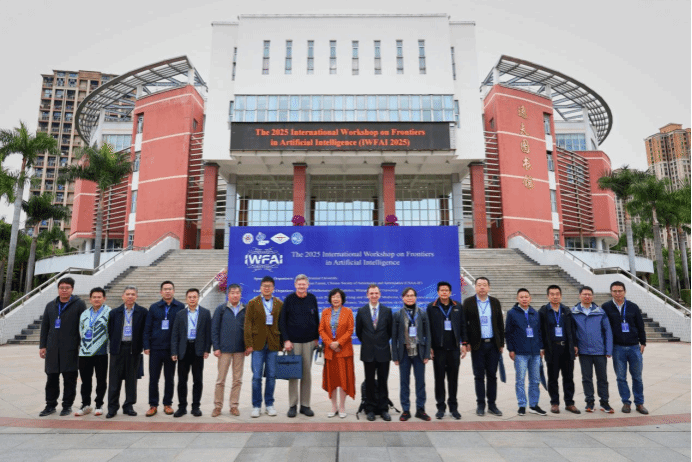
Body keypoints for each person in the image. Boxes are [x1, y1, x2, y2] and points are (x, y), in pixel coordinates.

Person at [39, 277, 87, 416]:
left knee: (69, 379)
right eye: (61, 288)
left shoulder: (79, 304)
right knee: (51, 379)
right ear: (58, 289)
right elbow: (45, 327)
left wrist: (82, 346)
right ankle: (50, 405)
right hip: (52, 349)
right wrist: (43, 346)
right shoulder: (50, 305)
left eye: (67, 288)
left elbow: (84, 326)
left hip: (70, 349)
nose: (64, 290)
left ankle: (67, 406)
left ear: (72, 289)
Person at [601, 281, 648, 414]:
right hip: (617, 348)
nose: (618, 293)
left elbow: (640, 325)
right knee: (621, 378)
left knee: (637, 377)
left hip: (634, 347)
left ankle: (639, 403)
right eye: (615, 291)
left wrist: (643, 342)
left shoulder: (633, 307)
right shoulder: (606, 307)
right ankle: (626, 402)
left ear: (625, 292)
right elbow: (603, 328)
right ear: (611, 292)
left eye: (620, 291)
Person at [462, 277, 505, 417]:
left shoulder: (495, 302)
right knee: (479, 376)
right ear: (475, 287)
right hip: (477, 345)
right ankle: (480, 404)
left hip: (493, 344)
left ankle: (492, 405)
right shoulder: (468, 302)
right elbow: (464, 324)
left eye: (484, 285)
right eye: (479, 285)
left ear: (489, 287)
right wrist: (465, 342)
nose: (482, 287)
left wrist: (501, 343)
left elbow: (500, 323)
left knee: (492, 376)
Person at [279, 274, 320, 418]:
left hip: (309, 342)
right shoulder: (289, 299)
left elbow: (316, 319)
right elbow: (282, 321)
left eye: (304, 284)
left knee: (306, 374)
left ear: (308, 285)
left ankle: (305, 405)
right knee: (293, 374)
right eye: (299, 284)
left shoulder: (312, 298)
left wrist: (316, 338)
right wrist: (286, 340)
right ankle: (292, 405)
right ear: (295, 285)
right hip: (293, 343)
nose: (301, 286)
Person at [143, 280, 185, 417]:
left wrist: (177, 349)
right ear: (161, 292)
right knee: (153, 379)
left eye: (170, 289)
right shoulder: (154, 307)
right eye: (165, 289)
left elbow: (181, 330)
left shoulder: (180, 307)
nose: (167, 291)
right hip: (155, 348)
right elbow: (147, 328)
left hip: (171, 350)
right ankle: (153, 405)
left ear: (174, 291)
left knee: (169, 378)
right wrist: (146, 345)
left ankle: (168, 404)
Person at [427, 281, 467, 420]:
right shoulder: (431, 307)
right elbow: (428, 329)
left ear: (450, 292)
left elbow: (463, 325)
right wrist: (429, 346)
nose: (444, 292)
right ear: (438, 292)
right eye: (442, 290)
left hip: (454, 349)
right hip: (438, 350)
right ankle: (441, 407)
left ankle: (453, 408)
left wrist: (464, 343)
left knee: (453, 379)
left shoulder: (457, 306)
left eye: (446, 290)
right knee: (439, 379)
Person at [106, 286, 147, 418]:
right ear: (123, 296)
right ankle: (112, 407)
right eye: (128, 294)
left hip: (133, 350)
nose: (130, 296)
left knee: (131, 380)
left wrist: (143, 346)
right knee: (114, 380)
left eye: (133, 294)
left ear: (136, 296)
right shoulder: (114, 312)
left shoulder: (142, 312)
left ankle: (128, 406)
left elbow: (145, 331)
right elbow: (110, 330)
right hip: (117, 349)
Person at [571, 286, 614, 413]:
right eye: (584, 294)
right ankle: (589, 402)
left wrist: (608, 349)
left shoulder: (600, 312)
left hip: (599, 351)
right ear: (580, 296)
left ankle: (605, 402)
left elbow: (608, 331)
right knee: (586, 378)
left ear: (593, 296)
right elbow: (571, 331)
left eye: (589, 294)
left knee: (602, 378)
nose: (587, 296)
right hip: (584, 351)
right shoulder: (574, 312)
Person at [244, 276, 282, 418]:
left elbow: (282, 324)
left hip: (273, 344)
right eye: (264, 286)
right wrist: (249, 344)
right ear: (260, 288)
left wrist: (282, 343)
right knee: (257, 377)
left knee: (271, 376)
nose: (267, 288)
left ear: (273, 288)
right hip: (257, 345)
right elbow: (248, 324)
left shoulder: (279, 303)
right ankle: (256, 406)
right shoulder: (253, 303)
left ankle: (269, 404)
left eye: (269, 286)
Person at [392, 287, 432, 421]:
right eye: (407, 296)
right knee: (404, 382)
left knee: (420, 382)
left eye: (412, 295)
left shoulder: (422, 313)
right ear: (403, 298)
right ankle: (406, 410)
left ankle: (420, 409)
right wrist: (395, 356)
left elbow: (428, 335)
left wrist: (427, 354)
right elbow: (394, 337)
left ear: (416, 297)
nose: (410, 298)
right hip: (403, 353)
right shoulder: (397, 314)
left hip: (419, 353)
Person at [539, 285, 580, 414]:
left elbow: (572, 329)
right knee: (553, 378)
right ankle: (555, 403)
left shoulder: (566, 311)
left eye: (557, 294)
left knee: (568, 377)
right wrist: (542, 347)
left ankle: (569, 403)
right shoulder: (543, 311)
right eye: (552, 294)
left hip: (566, 348)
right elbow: (540, 331)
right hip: (552, 348)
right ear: (548, 296)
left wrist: (574, 344)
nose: (555, 296)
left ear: (561, 296)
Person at [171, 288, 212, 417]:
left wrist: (207, 349)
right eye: (190, 297)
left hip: (198, 350)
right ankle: (182, 407)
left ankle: (196, 407)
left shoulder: (205, 313)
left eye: (194, 297)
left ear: (198, 298)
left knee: (197, 380)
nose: (192, 299)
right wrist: (174, 351)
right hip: (183, 349)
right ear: (186, 299)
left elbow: (208, 333)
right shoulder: (180, 314)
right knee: (182, 380)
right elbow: (175, 334)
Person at [355, 284, 393, 421]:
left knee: (383, 381)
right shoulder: (362, 311)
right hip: (368, 352)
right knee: (369, 381)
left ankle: (383, 409)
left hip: (383, 352)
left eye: (376, 293)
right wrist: (369, 342)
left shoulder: (387, 311)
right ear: (367, 295)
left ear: (380, 294)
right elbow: (359, 332)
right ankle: (370, 409)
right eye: (371, 293)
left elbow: (390, 331)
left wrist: (380, 342)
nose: (374, 295)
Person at [505, 288, 546, 416]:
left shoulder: (535, 313)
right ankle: (522, 405)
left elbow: (540, 332)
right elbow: (508, 333)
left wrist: (541, 347)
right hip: (520, 353)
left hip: (535, 352)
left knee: (535, 380)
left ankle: (534, 405)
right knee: (520, 380)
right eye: (521, 297)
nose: (524, 299)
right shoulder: (512, 313)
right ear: (517, 299)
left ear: (530, 298)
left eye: (526, 297)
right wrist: (511, 349)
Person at [211, 283, 248, 417]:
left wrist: (248, 346)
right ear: (228, 294)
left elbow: (249, 330)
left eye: (237, 293)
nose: (235, 295)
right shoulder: (221, 309)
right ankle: (217, 406)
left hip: (239, 350)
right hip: (224, 350)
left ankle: (234, 406)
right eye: (232, 293)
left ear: (240, 294)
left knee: (237, 380)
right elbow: (214, 329)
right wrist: (216, 347)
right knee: (220, 380)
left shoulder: (245, 309)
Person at [318, 288, 355, 418]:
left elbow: (350, 330)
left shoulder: (348, 312)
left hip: (343, 350)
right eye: (333, 297)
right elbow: (321, 330)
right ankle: (334, 407)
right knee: (332, 380)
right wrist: (330, 343)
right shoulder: (325, 312)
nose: (336, 299)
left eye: (338, 297)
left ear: (342, 299)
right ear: (330, 299)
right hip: (330, 351)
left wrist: (338, 343)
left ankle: (342, 406)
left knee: (343, 379)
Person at [75, 287, 111, 417]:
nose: (96, 299)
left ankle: (99, 404)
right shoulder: (84, 314)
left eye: (99, 297)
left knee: (101, 380)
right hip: (84, 352)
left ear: (104, 298)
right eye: (94, 297)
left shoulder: (109, 312)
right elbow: (81, 330)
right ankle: (85, 404)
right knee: (85, 381)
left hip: (101, 352)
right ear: (90, 299)